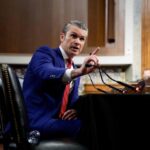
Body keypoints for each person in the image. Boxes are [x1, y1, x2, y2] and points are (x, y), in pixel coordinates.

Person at [23, 20, 99, 141]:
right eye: (73, 36)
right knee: (92, 127)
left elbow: (72, 102)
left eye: (82, 39)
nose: (77, 42)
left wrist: (76, 110)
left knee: (98, 121)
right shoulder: (44, 53)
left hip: (58, 122)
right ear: (62, 37)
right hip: (36, 122)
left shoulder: (73, 68)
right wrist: (78, 72)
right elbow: (46, 72)